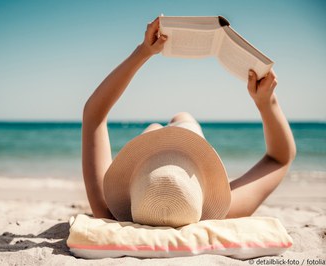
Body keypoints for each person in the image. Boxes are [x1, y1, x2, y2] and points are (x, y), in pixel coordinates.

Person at [81, 17, 296, 224]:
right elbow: (281, 158)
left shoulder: (109, 212)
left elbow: (94, 114)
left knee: (158, 127)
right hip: (177, 151)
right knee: (182, 118)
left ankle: (162, 130)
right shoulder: (220, 215)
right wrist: (267, 102)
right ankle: (175, 127)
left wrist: (142, 52)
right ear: (199, 196)